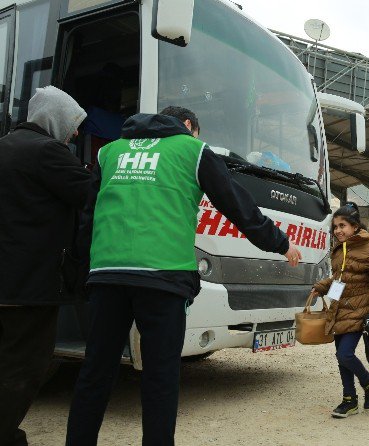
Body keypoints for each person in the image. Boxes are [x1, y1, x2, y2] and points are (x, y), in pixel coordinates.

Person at [65, 106, 303, 444]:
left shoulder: (110, 152)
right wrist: (279, 243)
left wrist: (83, 273)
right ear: (188, 125)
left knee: (96, 372)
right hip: (164, 278)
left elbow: (88, 217)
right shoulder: (194, 151)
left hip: (108, 276)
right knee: (160, 378)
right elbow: (236, 204)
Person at [0, 86, 91, 446]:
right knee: (24, 367)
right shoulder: (48, 152)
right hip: (28, 286)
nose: (77, 132)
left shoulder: (5, 145)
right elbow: (92, 194)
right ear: (56, 118)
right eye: (74, 122)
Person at [310, 202, 369, 418]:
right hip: (339, 310)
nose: (338, 230)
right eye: (335, 227)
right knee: (340, 356)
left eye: (342, 225)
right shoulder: (338, 249)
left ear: (355, 226)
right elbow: (339, 279)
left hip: (358, 311)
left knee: (345, 354)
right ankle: (349, 400)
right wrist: (321, 287)